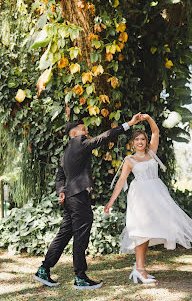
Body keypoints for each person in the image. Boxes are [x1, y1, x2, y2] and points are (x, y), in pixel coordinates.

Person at [34, 113, 144, 290]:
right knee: (81, 236)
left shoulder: (66, 152)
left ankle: (44, 269)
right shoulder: (79, 143)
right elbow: (105, 136)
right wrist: (129, 124)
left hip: (70, 197)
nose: (86, 132)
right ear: (74, 134)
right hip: (79, 197)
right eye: (83, 130)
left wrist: (61, 191)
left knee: (63, 234)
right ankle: (80, 277)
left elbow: (60, 176)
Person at [104, 114, 192, 284]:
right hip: (140, 198)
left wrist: (148, 118)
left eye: (142, 139)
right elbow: (121, 181)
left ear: (146, 142)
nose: (140, 142)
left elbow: (156, 132)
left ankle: (139, 268)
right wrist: (110, 201)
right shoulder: (129, 160)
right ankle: (140, 269)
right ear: (132, 142)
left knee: (150, 231)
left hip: (157, 196)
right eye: (137, 139)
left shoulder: (152, 153)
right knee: (141, 232)